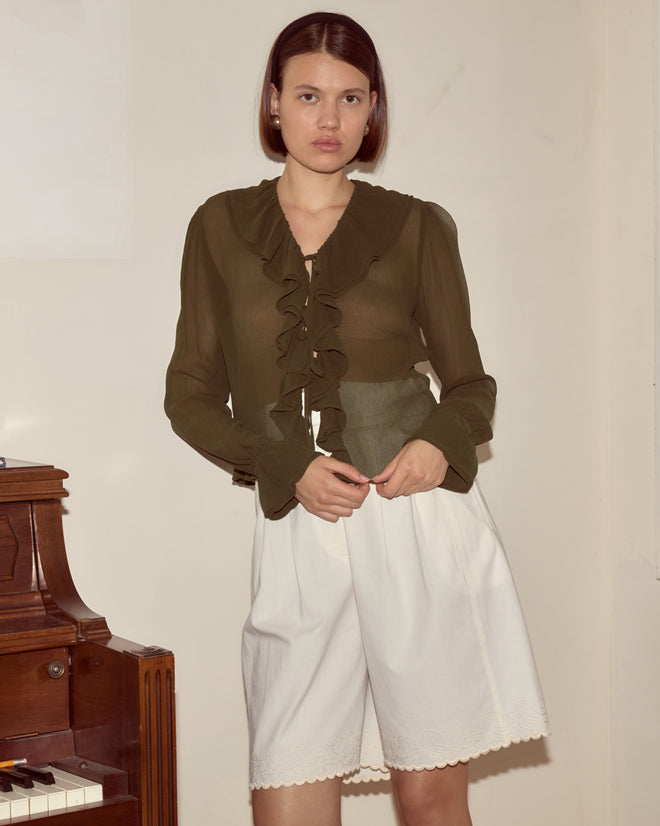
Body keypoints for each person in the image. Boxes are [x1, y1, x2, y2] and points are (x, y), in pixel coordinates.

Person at [165, 11, 548, 826]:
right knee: (288, 792)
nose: (328, 119)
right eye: (308, 96)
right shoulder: (220, 227)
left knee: (429, 798)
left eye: (350, 98)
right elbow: (190, 394)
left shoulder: (415, 226)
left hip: (418, 527)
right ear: (274, 104)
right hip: (299, 524)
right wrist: (283, 464)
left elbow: (471, 385)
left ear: (374, 110)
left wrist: (438, 447)